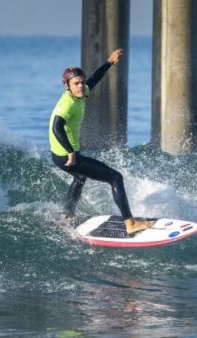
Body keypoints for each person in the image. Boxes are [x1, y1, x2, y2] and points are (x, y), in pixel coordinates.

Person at [49, 49, 154, 235]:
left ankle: (68, 216)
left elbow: (94, 79)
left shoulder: (79, 94)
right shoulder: (68, 104)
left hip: (59, 155)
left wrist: (109, 62)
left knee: (80, 177)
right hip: (66, 155)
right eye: (76, 83)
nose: (81, 86)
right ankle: (130, 223)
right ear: (67, 86)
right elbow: (57, 127)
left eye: (81, 82)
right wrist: (71, 152)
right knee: (115, 177)